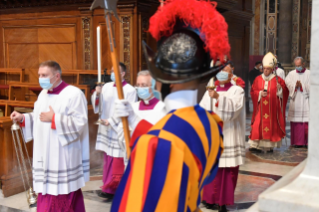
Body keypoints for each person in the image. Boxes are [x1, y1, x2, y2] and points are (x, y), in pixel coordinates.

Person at [110, 0, 231, 211]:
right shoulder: (211, 122)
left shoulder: (155, 142)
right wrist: (135, 120)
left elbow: (137, 203)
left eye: (157, 76)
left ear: (169, 81)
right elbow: (181, 144)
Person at [10, 61, 89, 212]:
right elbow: (40, 117)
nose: (41, 78)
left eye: (44, 75)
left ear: (56, 75)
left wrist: (55, 118)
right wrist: (24, 118)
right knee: (47, 193)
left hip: (63, 157)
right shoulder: (43, 94)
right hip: (45, 157)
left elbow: (80, 123)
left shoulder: (73, 94)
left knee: (63, 194)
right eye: (39, 75)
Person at [200, 70, 245, 212]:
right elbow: (201, 110)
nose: (222, 74)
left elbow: (232, 112)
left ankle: (222, 201)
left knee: (226, 170)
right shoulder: (209, 90)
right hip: (213, 135)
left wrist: (218, 97)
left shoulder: (237, 90)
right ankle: (209, 199)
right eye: (220, 71)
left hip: (229, 134)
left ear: (232, 74)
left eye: (226, 71)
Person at [91, 62, 137, 199]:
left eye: (114, 71)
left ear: (123, 74)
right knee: (108, 157)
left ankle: (117, 190)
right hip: (106, 128)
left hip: (119, 129)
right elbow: (98, 106)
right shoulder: (106, 86)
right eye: (111, 71)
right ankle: (107, 186)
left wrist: (110, 121)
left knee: (117, 158)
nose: (111, 73)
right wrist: (97, 95)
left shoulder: (130, 90)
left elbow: (127, 109)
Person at [248, 52, 289, 152]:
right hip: (260, 109)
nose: (265, 71)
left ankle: (269, 146)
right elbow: (253, 91)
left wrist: (280, 90)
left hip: (272, 109)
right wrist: (259, 94)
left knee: (271, 126)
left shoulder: (277, 79)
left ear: (272, 69)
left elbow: (285, 92)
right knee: (258, 124)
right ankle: (256, 145)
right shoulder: (257, 79)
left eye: (268, 69)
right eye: (264, 69)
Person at [285, 57, 310, 147]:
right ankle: (297, 142)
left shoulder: (309, 73)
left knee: (306, 123)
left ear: (303, 64)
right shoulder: (291, 74)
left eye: (299, 66)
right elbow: (287, 83)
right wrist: (295, 86)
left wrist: (302, 85)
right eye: (296, 66)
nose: (297, 67)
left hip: (305, 101)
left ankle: (307, 142)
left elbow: (314, 86)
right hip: (295, 100)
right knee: (296, 122)